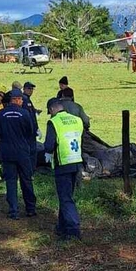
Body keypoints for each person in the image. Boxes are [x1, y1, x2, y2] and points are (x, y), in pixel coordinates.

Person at [0, 89, 36, 219]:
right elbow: (30, 131)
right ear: (16, 99)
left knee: (11, 182)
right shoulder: (24, 113)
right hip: (22, 152)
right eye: (21, 99)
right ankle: (30, 208)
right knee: (26, 180)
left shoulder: (0, 114)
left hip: (7, 152)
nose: (22, 101)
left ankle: (13, 211)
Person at [44, 98, 83, 240]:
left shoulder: (54, 122)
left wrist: (47, 154)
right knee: (66, 196)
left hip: (63, 163)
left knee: (66, 198)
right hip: (77, 161)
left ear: (52, 109)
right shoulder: (77, 120)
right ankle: (62, 226)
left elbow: (49, 144)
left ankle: (73, 230)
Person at [22, 81, 40, 170]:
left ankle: (31, 169)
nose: (31, 90)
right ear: (24, 89)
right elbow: (28, 117)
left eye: (32, 89)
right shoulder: (24, 99)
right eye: (29, 88)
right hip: (28, 132)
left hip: (31, 131)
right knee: (30, 152)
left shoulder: (27, 99)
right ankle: (30, 170)